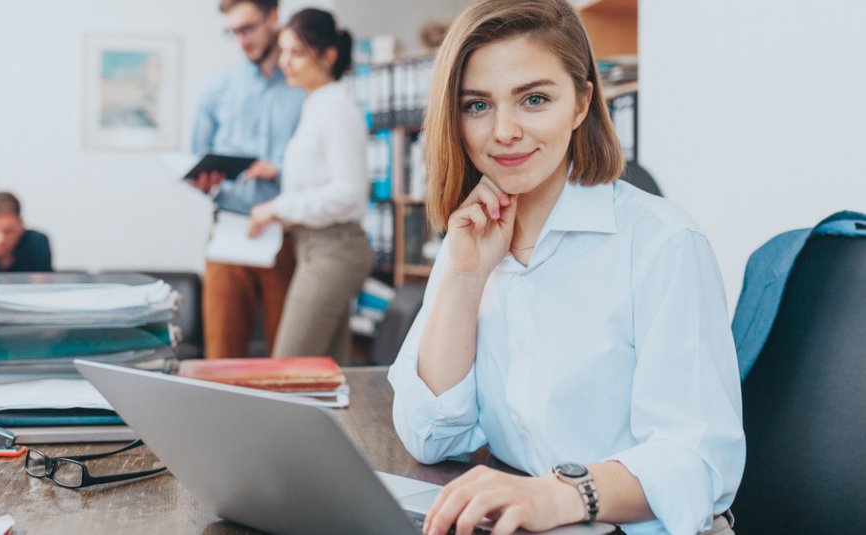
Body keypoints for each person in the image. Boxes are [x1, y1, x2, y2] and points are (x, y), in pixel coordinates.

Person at [387, 2, 746, 535]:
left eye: (534, 99)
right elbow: (432, 436)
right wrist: (465, 277)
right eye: (478, 105)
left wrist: (558, 493)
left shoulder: (662, 242)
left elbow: (696, 461)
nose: (504, 130)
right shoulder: (472, 238)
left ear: (582, 101)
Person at [247, 8, 372, 365]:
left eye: (296, 53)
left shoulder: (337, 108)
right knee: (327, 375)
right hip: (314, 247)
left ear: (328, 56)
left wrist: (276, 208)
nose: (285, 61)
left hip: (335, 250)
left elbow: (348, 192)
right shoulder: (316, 104)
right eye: (283, 51)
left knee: (287, 368)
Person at [192, 0, 305, 359]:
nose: (241, 40)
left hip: (285, 237)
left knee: (287, 358)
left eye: (248, 28)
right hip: (229, 234)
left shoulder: (305, 90)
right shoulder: (216, 89)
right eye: (234, 32)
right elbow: (197, 157)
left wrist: (280, 170)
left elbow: (321, 166)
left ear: (273, 18)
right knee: (221, 359)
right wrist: (202, 178)